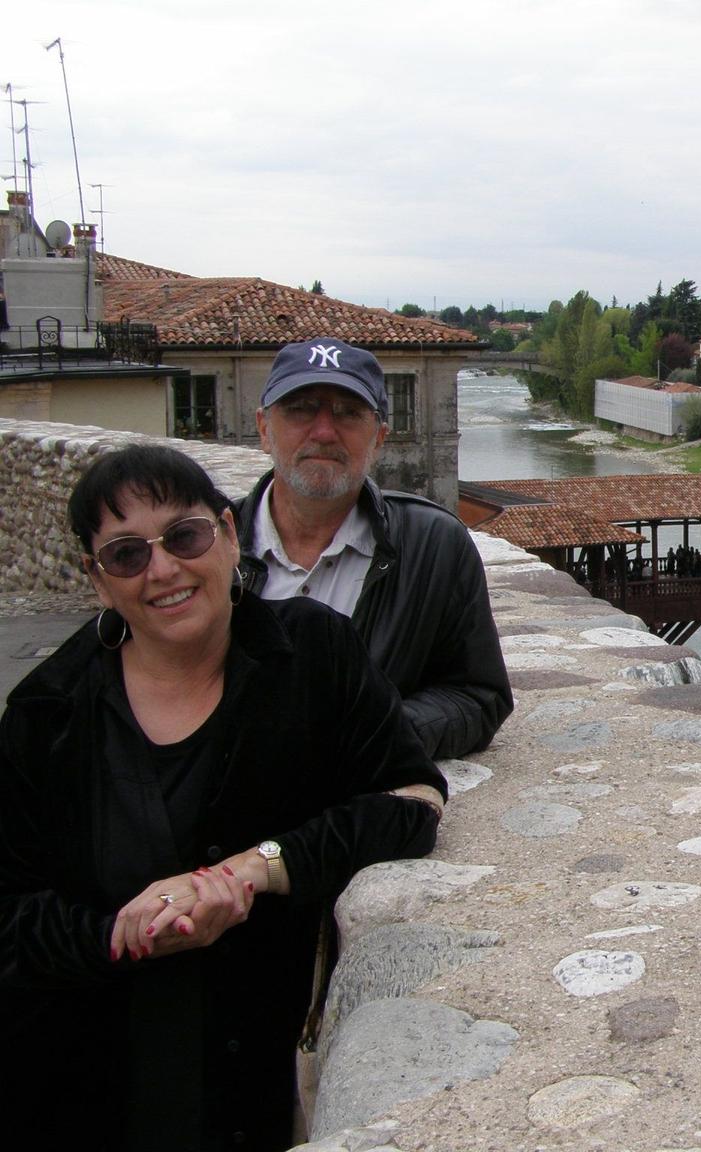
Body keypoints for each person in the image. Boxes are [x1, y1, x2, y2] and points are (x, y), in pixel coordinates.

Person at [0, 445, 447, 1150]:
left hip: (249, 1089)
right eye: (125, 555)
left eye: (185, 536)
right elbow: (9, 916)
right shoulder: (46, 712)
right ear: (97, 580)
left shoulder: (311, 656)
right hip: (82, 1086)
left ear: (229, 535)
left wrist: (253, 868)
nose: (163, 570)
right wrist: (125, 933)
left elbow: (410, 804)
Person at [234, 337, 512, 760]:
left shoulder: (435, 546)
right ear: (263, 429)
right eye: (301, 408)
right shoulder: (205, 548)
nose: (325, 432)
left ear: (379, 436)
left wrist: (378, 733)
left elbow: (479, 696)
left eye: (348, 413)